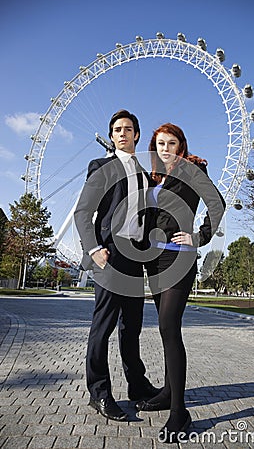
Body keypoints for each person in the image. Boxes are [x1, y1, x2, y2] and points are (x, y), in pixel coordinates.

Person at [136, 123, 226, 443]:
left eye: (171, 143)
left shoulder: (192, 170)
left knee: (168, 327)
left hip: (179, 256)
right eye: (160, 143)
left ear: (181, 145)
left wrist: (199, 237)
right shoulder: (156, 178)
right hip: (154, 260)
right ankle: (167, 392)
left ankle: (179, 411)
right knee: (165, 329)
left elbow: (217, 205)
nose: (165, 148)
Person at [74, 109, 161, 422]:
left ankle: (137, 387)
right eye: (116, 130)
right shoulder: (101, 167)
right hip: (109, 255)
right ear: (111, 137)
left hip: (135, 258)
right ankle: (99, 393)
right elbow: (83, 212)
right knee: (103, 326)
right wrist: (94, 249)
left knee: (132, 328)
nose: (122, 133)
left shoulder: (146, 174)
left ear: (136, 134)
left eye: (127, 129)